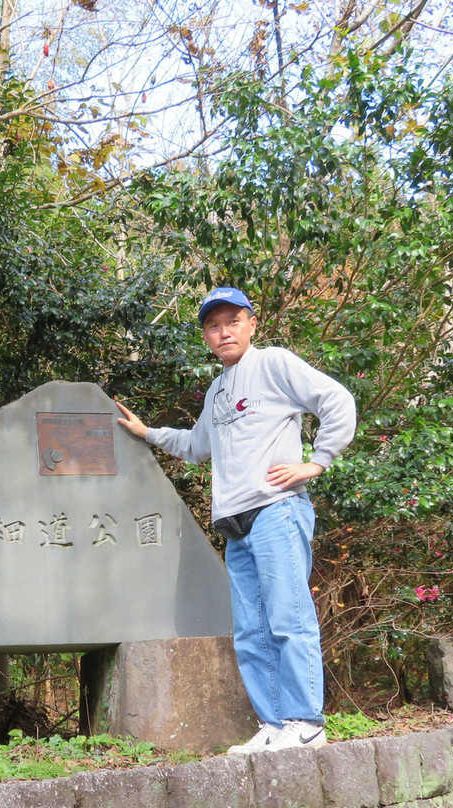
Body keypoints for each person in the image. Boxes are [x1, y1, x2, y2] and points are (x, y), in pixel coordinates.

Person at [115, 286, 356, 754]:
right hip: (235, 523)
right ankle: (273, 724)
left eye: (232, 321)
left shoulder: (274, 364)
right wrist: (147, 433)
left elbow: (337, 400)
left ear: (251, 324)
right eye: (213, 325)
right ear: (206, 335)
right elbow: (198, 445)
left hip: (276, 510)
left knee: (288, 618)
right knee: (251, 630)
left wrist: (318, 460)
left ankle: (305, 721)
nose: (223, 331)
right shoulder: (218, 389)